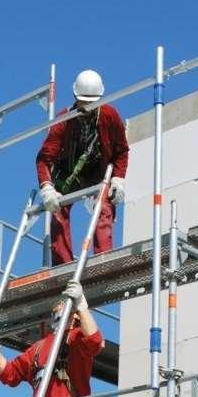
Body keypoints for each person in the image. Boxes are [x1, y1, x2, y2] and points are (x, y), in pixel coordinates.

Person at [36, 69, 129, 266]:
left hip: (98, 172)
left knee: (103, 208)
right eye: (84, 101)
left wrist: (118, 180)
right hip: (70, 173)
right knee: (57, 210)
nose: (87, 106)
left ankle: (104, 260)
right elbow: (44, 158)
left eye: (91, 101)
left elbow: (121, 151)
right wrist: (47, 187)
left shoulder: (110, 116)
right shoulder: (64, 121)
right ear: (75, 98)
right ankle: (63, 265)